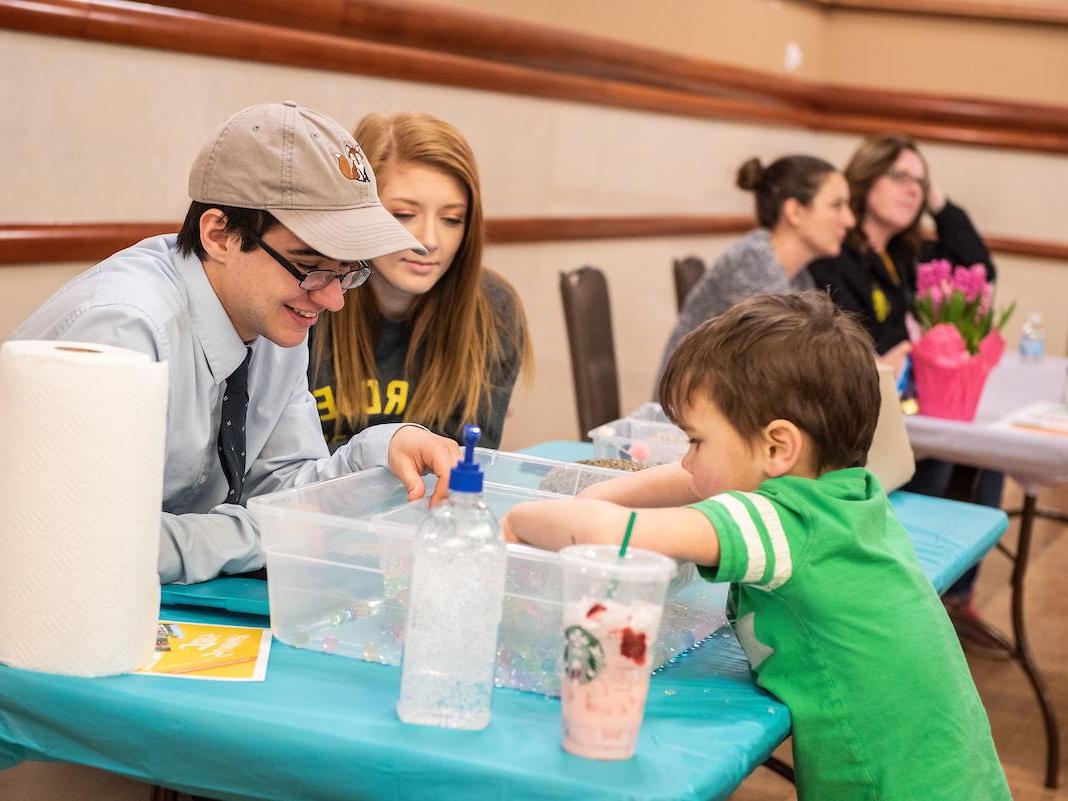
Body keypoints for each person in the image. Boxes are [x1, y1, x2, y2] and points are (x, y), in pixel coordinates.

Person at [504, 293, 1010, 801]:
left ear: (777, 447)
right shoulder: (846, 495)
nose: (686, 459)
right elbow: (691, 481)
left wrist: (521, 520)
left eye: (696, 440)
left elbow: (609, 535)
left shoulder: (778, 521)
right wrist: (599, 492)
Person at [11, 102, 461, 585]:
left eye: (347, 271)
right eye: (310, 266)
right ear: (220, 234)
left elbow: (283, 492)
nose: (333, 300)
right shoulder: (123, 332)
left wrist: (378, 451)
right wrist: (261, 533)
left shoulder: (274, 318)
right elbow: (84, 541)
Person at [808, 134, 1005, 653]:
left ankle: (951, 598)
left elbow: (980, 271)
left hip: (906, 401)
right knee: (939, 453)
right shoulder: (834, 254)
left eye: (921, 182)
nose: (914, 191)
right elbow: (849, 343)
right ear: (865, 179)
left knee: (984, 457)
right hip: (856, 407)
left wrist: (940, 203)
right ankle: (912, 591)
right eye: (900, 177)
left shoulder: (901, 252)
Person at [309, 112, 529, 449]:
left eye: (452, 219)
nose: (429, 240)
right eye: (404, 215)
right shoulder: (306, 294)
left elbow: (469, 464)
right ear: (359, 209)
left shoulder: (492, 309)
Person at [654, 154, 853, 390]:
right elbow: (792, 368)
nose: (849, 220)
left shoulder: (799, 276)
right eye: (836, 205)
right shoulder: (753, 261)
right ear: (795, 211)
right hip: (689, 416)